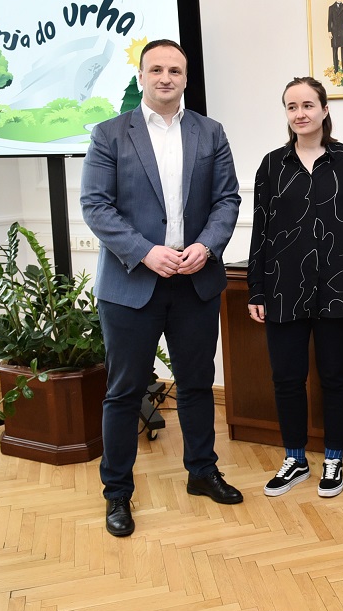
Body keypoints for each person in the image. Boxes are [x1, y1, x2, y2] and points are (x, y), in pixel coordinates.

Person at [80, 39, 242, 538]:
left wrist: (207, 246)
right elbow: (95, 205)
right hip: (131, 284)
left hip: (195, 282)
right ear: (141, 77)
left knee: (196, 385)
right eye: (156, 70)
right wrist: (145, 252)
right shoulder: (109, 133)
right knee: (124, 391)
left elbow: (227, 199)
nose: (166, 78)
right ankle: (117, 493)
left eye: (175, 70)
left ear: (186, 78)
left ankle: (202, 472)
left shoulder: (210, 132)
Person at [247, 77, 343, 499]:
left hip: (339, 286)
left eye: (308, 105)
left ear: (325, 109)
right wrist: (256, 289)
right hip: (283, 287)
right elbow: (261, 230)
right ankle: (294, 459)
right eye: (292, 106)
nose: (300, 113)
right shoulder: (271, 165)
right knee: (286, 378)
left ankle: (333, 458)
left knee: (336, 377)